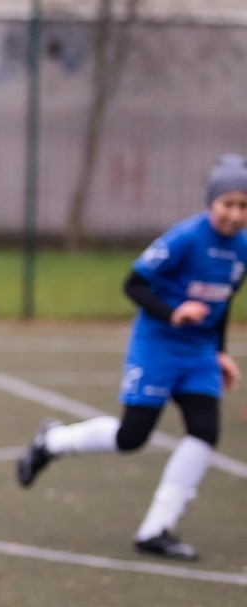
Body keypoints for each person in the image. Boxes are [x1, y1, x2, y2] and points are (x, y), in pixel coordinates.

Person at [17, 155, 246, 560]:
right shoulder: (184, 238)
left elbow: (222, 302)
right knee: (132, 437)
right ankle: (51, 441)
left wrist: (220, 352)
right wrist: (174, 313)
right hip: (158, 345)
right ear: (212, 202)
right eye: (228, 203)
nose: (235, 213)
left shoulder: (242, 249)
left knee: (204, 431)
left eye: (244, 206)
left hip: (198, 353)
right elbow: (134, 284)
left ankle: (156, 530)